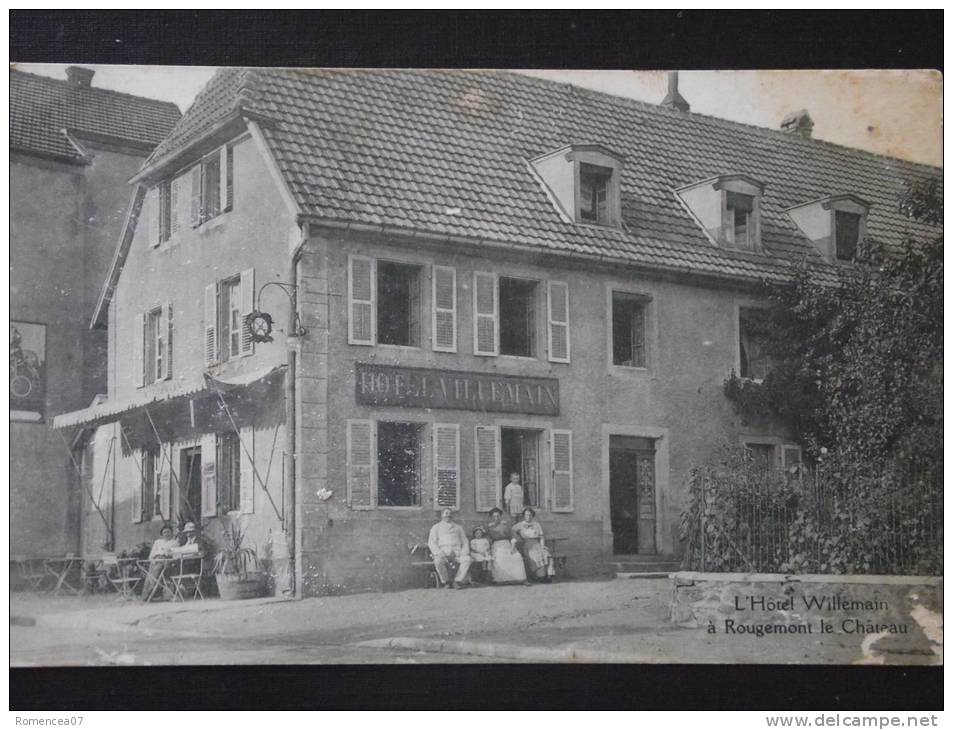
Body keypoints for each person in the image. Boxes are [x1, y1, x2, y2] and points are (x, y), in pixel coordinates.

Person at [427, 508, 472, 589]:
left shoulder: (458, 527)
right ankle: (446, 581)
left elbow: (465, 541)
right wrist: (440, 553)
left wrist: (462, 552)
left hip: (457, 553)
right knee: (438, 561)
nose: (448, 515)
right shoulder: (436, 527)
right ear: (442, 515)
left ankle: (457, 581)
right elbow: (431, 542)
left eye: (449, 513)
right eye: (446, 513)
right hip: (443, 553)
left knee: (467, 559)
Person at [485, 507, 529, 585]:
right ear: (491, 517)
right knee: (500, 558)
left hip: (507, 545)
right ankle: (501, 580)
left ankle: (521, 579)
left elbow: (512, 537)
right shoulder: (490, 527)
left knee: (517, 557)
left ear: (500, 517)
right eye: (494, 516)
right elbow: (488, 539)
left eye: (498, 516)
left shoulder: (505, 526)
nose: (496, 518)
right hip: (496, 546)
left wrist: (512, 547)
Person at [513, 507, 555, 582]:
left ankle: (549, 575)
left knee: (546, 554)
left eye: (530, 515)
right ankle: (540, 576)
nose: (528, 517)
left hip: (537, 544)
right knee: (536, 556)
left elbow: (541, 537)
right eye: (526, 515)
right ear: (523, 516)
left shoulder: (536, 524)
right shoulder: (520, 525)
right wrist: (517, 537)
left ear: (532, 515)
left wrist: (542, 546)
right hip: (528, 545)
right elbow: (512, 531)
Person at [141, 524, 178, 601]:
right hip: (156, 561)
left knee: (156, 572)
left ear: (171, 533)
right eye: (164, 532)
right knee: (152, 574)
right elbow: (152, 555)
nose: (166, 534)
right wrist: (153, 560)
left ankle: (148, 595)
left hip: (167, 561)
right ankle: (147, 594)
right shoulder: (158, 542)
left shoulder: (174, 542)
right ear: (162, 534)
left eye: (168, 532)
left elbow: (176, 555)